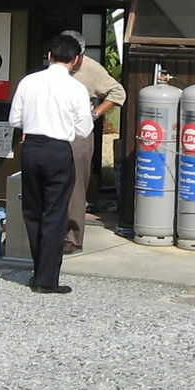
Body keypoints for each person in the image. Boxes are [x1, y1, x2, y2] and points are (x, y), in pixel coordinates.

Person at [8, 33, 93, 294]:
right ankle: (46, 279)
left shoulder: (28, 82)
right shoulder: (77, 88)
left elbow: (15, 120)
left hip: (32, 148)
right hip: (59, 150)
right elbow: (84, 128)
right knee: (55, 214)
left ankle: (38, 271)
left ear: (49, 56)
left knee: (33, 211)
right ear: (76, 60)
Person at [64, 35, 126, 254]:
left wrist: (96, 113)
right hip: (53, 130)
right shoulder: (53, 67)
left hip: (78, 131)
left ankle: (73, 237)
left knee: (76, 186)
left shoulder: (91, 68)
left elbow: (118, 92)